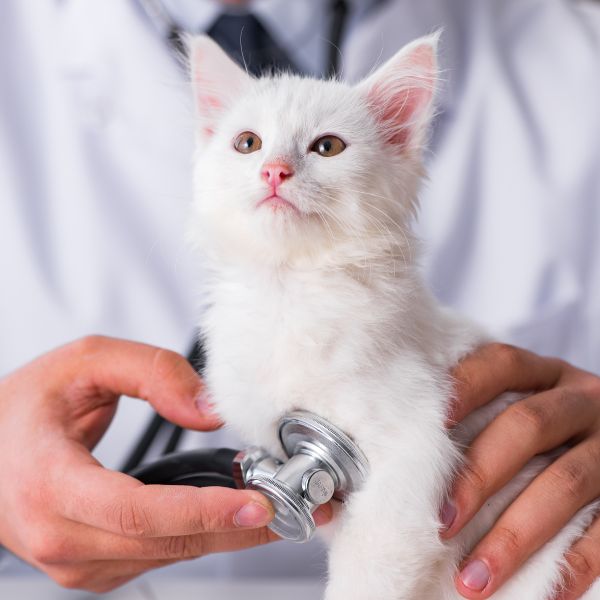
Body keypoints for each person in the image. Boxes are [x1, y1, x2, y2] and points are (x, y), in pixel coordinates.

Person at [0, 0, 599, 598]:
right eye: (249, 142)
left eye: (327, 147)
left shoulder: (575, 46)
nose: (276, 169)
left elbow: (400, 492)